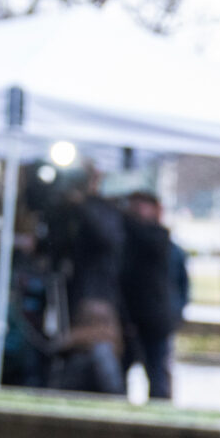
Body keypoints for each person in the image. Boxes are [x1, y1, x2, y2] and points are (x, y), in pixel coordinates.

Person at [48, 168, 126, 395]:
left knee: (98, 346)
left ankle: (111, 393)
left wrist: (83, 204)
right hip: (76, 292)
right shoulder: (70, 211)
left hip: (98, 295)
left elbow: (107, 239)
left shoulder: (106, 212)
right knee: (79, 352)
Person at [118, 191, 179, 401]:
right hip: (129, 316)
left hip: (153, 319)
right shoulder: (129, 235)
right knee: (123, 370)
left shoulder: (157, 235)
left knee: (156, 373)